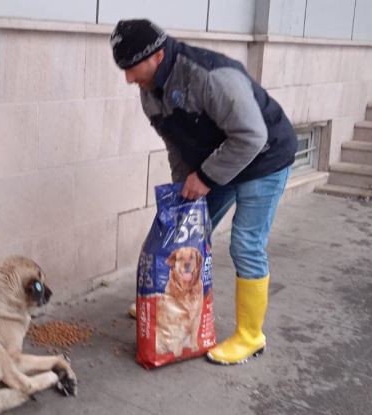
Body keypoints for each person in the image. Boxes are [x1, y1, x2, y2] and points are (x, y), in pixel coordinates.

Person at [111, 19, 298, 366]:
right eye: (123, 70)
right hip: (219, 158)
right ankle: (164, 301)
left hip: (264, 156)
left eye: (131, 68)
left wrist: (207, 177)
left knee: (246, 243)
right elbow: (175, 144)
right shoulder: (148, 89)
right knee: (184, 230)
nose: (128, 78)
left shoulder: (210, 77)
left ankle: (250, 337)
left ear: (157, 56)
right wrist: (185, 187)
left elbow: (251, 137)